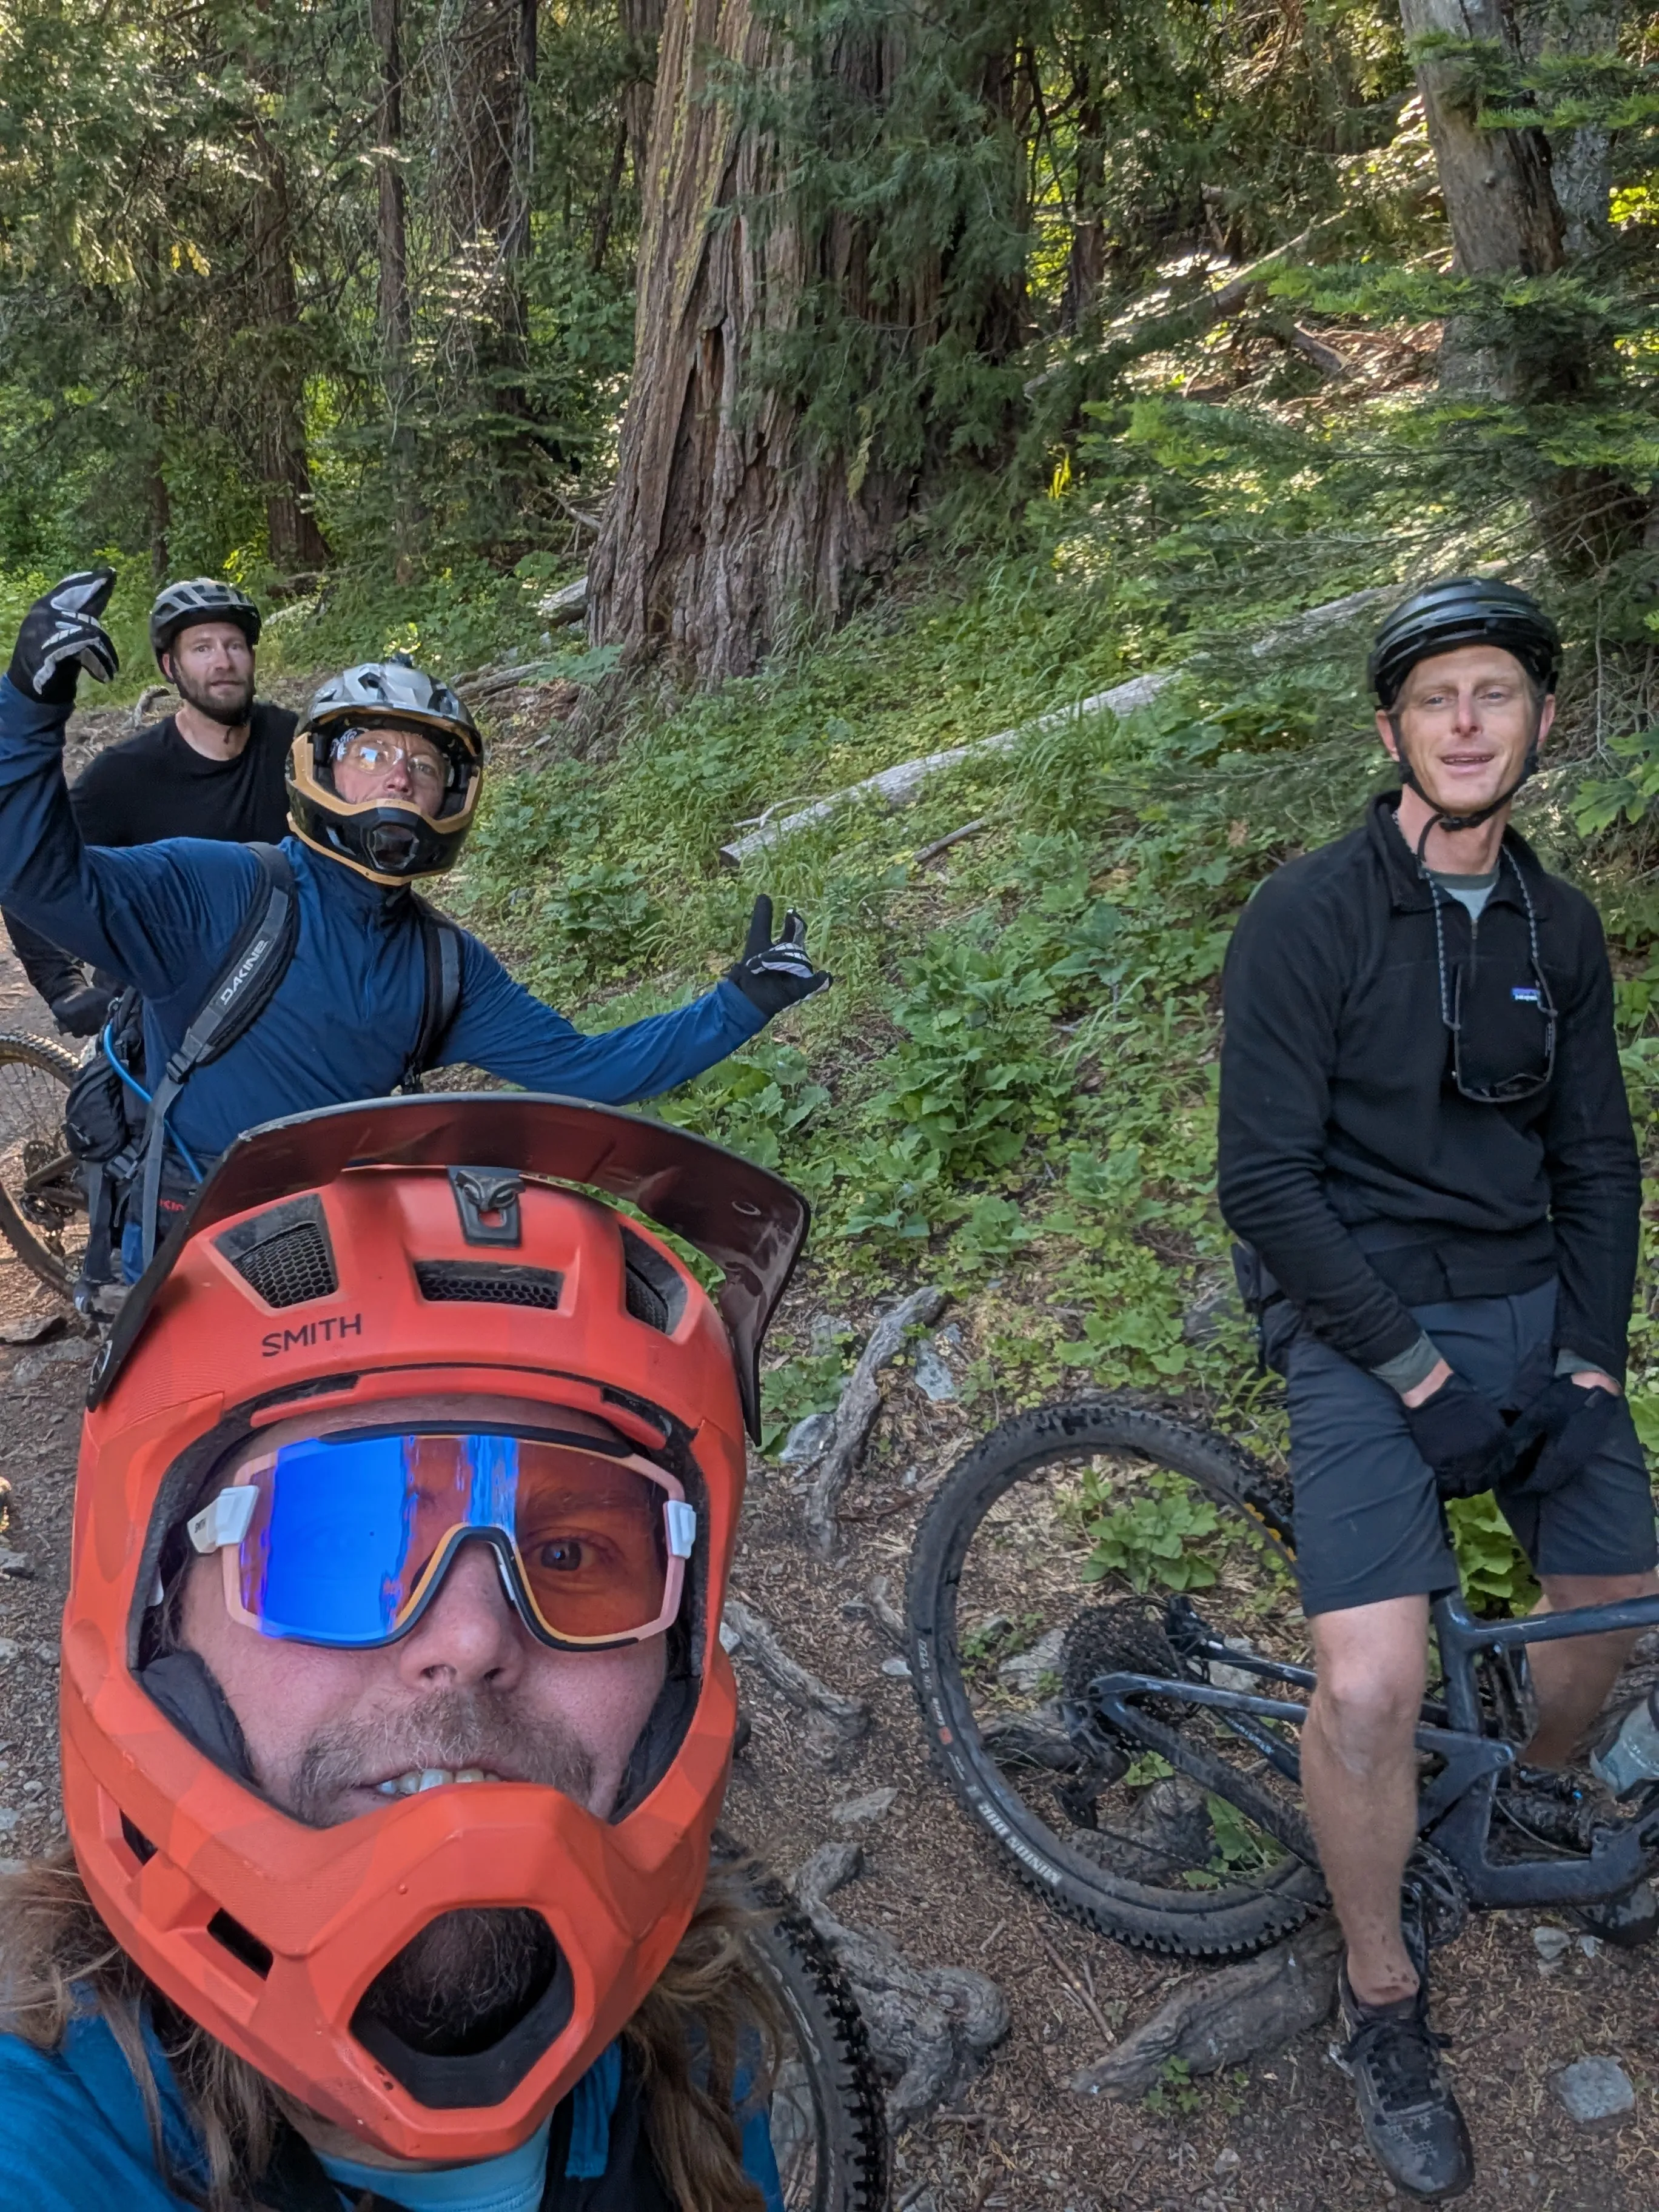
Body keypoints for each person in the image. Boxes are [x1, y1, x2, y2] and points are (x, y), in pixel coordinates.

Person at [0, 1095, 801, 2210]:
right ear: (151, 1617)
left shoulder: (704, 2055)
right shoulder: (35, 2138)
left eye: (573, 1549)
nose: (470, 1637)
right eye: (340, 1538)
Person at [1218, 576, 1658, 2203]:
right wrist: (1412, 1375)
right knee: (1371, 1690)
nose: (1469, 724)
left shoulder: (1563, 924)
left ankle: (1532, 1799)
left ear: (1541, 720)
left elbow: (1599, 1157)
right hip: (1358, 1313)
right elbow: (1264, 1187)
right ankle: (1380, 1994)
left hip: (1534, 1300)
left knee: (1612, 1591)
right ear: (1394, 728)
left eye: (1499, 694)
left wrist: (1591, 1354)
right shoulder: (1310, 915)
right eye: (1437, 698)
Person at [0, 569, 828, 1278]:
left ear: (452, 798)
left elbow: (589, 1071)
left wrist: (741, 1003)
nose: (400, 770)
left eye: (425, 763)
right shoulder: (212, 886)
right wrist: (28, 705)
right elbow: (39, 876)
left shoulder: (446, 966)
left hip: (340, 1249)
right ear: (321, 768)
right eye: (370, 753)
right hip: (185, 1250)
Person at [2, 577, 293, 1036]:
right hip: (161, 1010)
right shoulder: (124, 777)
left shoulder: (297, 747)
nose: (222, 661)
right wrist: (64, 986)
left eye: (234, 645)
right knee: (111, 1107)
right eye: (201, 648)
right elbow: (33, 862)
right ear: (169, 667)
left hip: (288, 985)